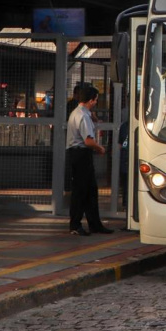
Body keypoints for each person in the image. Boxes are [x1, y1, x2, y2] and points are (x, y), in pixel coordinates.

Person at [66, 85, 113, 236]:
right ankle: (75, 225)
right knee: (81, 191)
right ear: (91, 100)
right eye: (96, 100)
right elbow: (88, 141)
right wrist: (100, 148)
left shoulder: (79, 112)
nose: (96, 102)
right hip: (81, 155)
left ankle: (94, 224)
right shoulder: (83, 116)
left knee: (90, 191)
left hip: (77, 154)